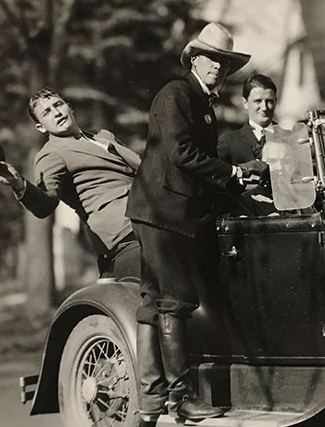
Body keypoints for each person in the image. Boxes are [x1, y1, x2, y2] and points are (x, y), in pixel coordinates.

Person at [125, 22, 265, 425]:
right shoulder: (176, 94)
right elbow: (181, 154)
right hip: (161, 212)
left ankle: (152, 402)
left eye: (223, 62)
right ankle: (180, 400)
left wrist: (236, 181)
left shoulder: (201, 101)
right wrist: (236, 175)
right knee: (176, 299)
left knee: (154, 304)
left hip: (172, 211)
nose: (217, 67)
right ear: (194, 59)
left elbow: (197, 167)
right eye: (211, 59)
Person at [0, 88, 141, 278]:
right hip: (123, 231)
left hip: (154, 213)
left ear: (70, 108)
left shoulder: (104, 135)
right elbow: (46, 203)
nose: (56, 113)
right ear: (41, 127)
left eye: (58, 105)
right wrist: (18, 183)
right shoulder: (51, 154)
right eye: (47, 112)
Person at [217, 73, 277, 171]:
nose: (264, 108)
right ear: (245, 103)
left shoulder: (289, 138)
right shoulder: (228, 142)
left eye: (269, 101)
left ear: (276, 102)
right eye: (258, 101)